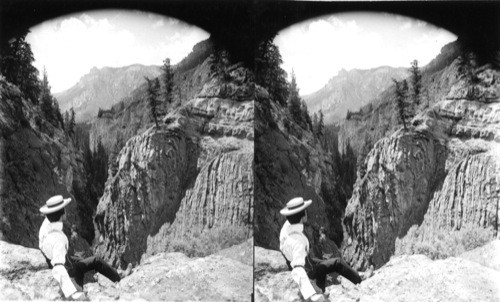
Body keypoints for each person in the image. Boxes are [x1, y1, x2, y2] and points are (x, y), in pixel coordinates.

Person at [39, 195, 128, 300]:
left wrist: (70, 258)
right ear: (61, 214)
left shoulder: (46, 227)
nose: (66, 212)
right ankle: (118, 277)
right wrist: (73, 291)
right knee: (96, 260)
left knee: (85, 259)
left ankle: (117, 275)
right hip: (69, 272)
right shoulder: (57, 239)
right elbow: (59, 267)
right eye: (64, 210)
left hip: (64, 262)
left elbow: (48, 251)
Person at [279, 197, 363, 302]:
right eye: (305, 210)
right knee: (337, 262)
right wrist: (312, 293)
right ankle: (360, 281)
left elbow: (283, 247)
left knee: (323, 265)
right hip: (307, 269)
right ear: (303, 215)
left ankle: (322, 289)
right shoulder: (298, 242)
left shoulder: (287, 227)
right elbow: (298, 269)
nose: (307, 212)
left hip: (306, 261)